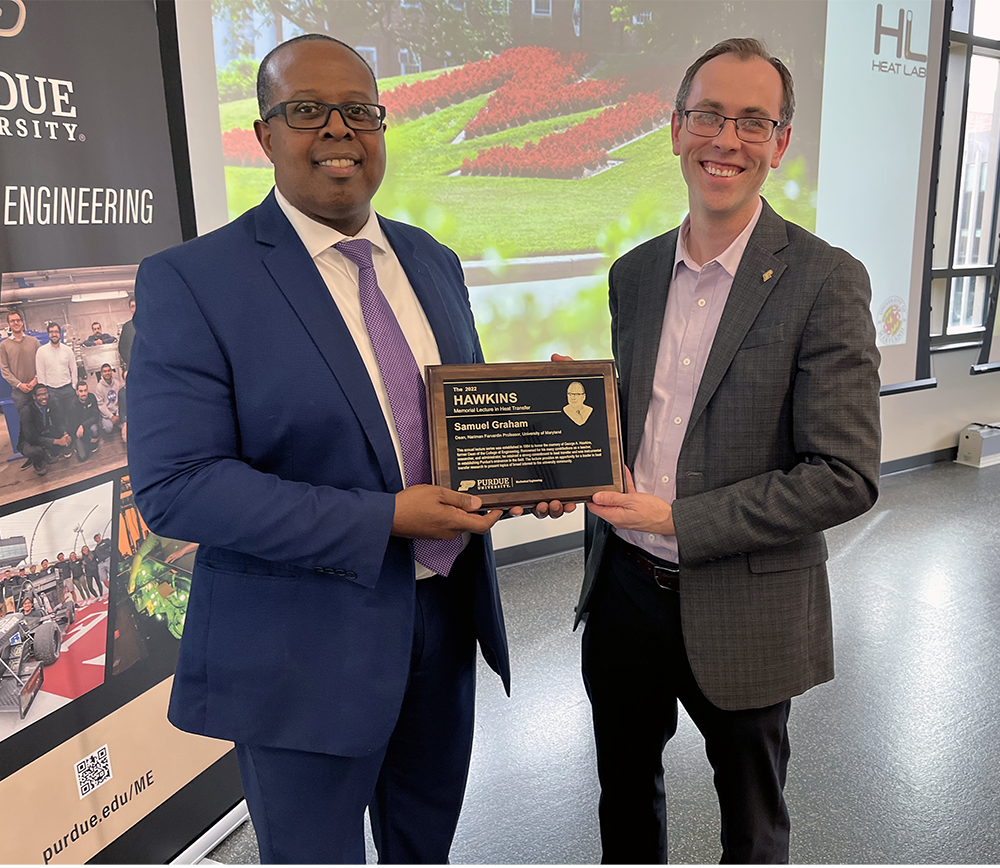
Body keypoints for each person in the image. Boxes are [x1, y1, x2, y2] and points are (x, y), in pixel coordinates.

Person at [128, 33, 513, 865]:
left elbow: (462, 423)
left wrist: (532, 466)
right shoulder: (193, 280)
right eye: (307, 110)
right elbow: (178, 486)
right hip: (299, 653)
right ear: (263, 134)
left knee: (425, 850)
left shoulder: (431, 260)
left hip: (443, 624)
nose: (338, 129)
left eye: (360, 111)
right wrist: (384, 518)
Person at [569, 38, 881, 864]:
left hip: (746, 599)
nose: (726, 140)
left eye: (753, 121)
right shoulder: (633, 274)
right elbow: (649, 418)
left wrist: (680, 517)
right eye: (708, 115)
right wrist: (574, 426)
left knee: (752, 823)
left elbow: (844, 475)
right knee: (625, 803)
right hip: (624, 591)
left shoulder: (825, 279)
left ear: (780, 143)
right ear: (675, 128)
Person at [17, 385, 72, 476]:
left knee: (60, 443)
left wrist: (65, 434)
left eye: (45, 393)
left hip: (44, 433)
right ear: (34, 397)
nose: (43, 397)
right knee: (36, 450)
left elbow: (59, 420)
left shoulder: (51, 403)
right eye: (40, 395)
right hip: (28, 441)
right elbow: (32, 438)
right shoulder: (26, 411)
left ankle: (47, 454)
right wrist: (57, 441)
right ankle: (38, 463)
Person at [0, 311, 41, 425]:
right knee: (26, 423)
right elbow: (5, 370)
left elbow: (41, 364)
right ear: (8, 324)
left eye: (18, 320)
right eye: (12, 321)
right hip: (19, 391)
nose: (16, 323)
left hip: (37, 387)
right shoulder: (4, 345)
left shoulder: (34, 342)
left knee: (42, 420)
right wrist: (19, 384)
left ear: (22, 322)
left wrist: (35, 380)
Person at [35, 323, 77, 418]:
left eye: (56, 332)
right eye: (51, 332)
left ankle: (72, 432)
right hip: (52, 391)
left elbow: (74, 369)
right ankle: (62, 433)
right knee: (57, 418)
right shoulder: (41, 351)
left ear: (60, 333)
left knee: (72, 416)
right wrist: (44, 393)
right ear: (48, 334)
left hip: (68, 389)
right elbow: (41, 373)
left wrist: (74, 386)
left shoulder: (67, 350)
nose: (54, 334)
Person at [66, 381, 102, 461]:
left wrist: (83, 425)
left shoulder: (92, 397)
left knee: (95, 429)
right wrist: (88, 439)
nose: (84, 393)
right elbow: (73, 426)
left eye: (85, 390)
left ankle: (93, 442)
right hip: (77, 431)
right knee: (83, 457)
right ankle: (86, 442)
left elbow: (96, 416)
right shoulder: (72, 404)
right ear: (77, 392)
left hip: (88, 426)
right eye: (81, 391)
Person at [92, 364, 122, 435]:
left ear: (111, 371)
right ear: (102, 373)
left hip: (118, 411)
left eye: (109, 371)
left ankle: (118, 422)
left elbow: (121, 400)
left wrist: (117, 414)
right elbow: (101, 405)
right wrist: (111, 416)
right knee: (108, 428)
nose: (107, 373)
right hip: (107, 414)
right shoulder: (99, 387)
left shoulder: (117, 383)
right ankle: (112, 423)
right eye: (105, 371)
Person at [118, 296, 136, 370]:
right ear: (130, 309)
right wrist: (129, 360)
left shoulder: (150, 324)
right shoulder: (127, 327)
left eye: (137, 305)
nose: (135, 308)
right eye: (132, 306)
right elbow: (122, 347)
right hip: (134, 365)